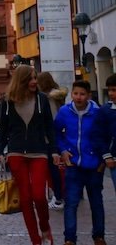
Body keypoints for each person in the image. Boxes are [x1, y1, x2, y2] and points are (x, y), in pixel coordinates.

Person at [0, 64, 60, 245]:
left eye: (35, 78)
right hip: (16, 153)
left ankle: (45, 227)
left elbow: (50, 128)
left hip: (39, 152)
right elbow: (3, 128)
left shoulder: (42, 99)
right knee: (25, 199)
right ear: (22, 81)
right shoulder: (9, 100)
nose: (34, 82)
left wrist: (54, 150)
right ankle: (36, 240)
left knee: (39, 196)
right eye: (30, 78)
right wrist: (0, 150)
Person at [54, 80, 107, 245]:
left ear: (89, 96)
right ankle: (69, 239)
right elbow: (56, 133)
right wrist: (62, 151)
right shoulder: (64, 112)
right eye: (75, 93)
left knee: (96, 203)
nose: (78, 97)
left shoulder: (98, 113)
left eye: (82, 94)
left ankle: (98, 236)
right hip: (73, 165)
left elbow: (105, 137)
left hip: (94, 166)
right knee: (71, 203)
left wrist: (102, 160)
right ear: (72, 94)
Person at [38, 71, 68, 210]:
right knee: (58, 167)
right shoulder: (58, 96)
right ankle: (61, 195)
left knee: (52, 168)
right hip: (60, 132)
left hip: (49, 135)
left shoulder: (46, 97)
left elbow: (48, 117)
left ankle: (58, 197)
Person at [102, 73, 116, 195]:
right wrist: (107, 155)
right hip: (114, 160)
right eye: (109, 90)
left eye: (114, 90)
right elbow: (100, 135)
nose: (111, 93)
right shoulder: (106, 110)